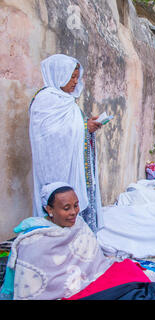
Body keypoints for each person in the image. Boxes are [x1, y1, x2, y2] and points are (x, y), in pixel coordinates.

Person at [0, 183, 155, 300]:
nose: (74, 212)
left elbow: (95, 262)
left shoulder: (79, 225)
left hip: (100, 279)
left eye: (76, 205)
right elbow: (33, 290)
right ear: (49, 210)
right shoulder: (34, 244)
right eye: (66, 208)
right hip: (77, 293)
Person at [29, 54, 103, 233]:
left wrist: (86, 126)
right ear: (59, 74)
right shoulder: (46, 100)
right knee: (58, 205)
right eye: (72, 76)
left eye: (77, 77)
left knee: (72, 206)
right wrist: (85, 127)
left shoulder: (66, 101)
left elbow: (70, 127)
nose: (76, 81)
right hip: (54, 169)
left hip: (72, 164)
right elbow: (51, 135)